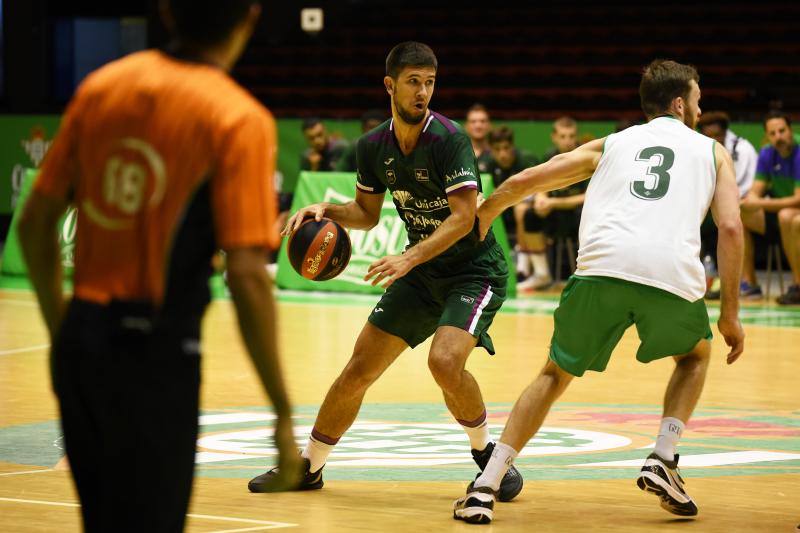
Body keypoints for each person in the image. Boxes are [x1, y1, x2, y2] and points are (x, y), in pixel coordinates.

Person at [17, 1, 301, 530]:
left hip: (82, 343)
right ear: (251, 19)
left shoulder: (101, 87)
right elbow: (245, 276)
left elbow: (34, 226)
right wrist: (282, 413)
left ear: (167, 13)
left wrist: (63, 326)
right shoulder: (238, 117)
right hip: (155, 354)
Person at [452, 59, 745, 524]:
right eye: (697, 98)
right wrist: (730, 313)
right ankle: (664, 456)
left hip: (600, 269)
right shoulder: (712, 151)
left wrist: (486, 214)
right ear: (679, 103)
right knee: (694, 356)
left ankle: (485, 486)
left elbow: (533, 178)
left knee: (552, 375)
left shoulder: (613, 143)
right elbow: (729, 228)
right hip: (669, 275)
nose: (699, 105)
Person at [249, 41, 523, 502]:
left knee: (444, 361)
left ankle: (488, 457)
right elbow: (366, 213)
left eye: (430, 82)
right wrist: (328, 210)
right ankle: (310, 467)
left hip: (472, 270)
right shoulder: (373, 145)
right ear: (390, 85)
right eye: (414, 82)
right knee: (358, 367)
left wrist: (409, 257)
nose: (423, 92)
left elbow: (463, 217)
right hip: (421, 274)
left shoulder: (450, 139)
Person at [739, 110, 800, 304]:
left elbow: (798, 200)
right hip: (780, 211)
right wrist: (749, 201)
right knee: (740, 213)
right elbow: (756, 190)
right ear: (767, 136)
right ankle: (750, 284)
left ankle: (798, 284)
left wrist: (761, 202)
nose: (778, 137)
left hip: (792, 212)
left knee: (788, 216)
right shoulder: (767, 153)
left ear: (791, 130)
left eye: (782, 131)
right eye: (773, 134)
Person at [697, 111, 759, 300]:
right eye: (709, 136)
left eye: (718, 135)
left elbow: (744, 187)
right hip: (710, 207)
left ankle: (731, 280)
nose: (714, 139)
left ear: (725, 132)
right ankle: (695, 279)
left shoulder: (743, 149)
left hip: (744, 206)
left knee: (726, 221)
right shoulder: (701, 150)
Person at [484, 126, 541, 280]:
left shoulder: (527, 160)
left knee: (521, 209)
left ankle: (521, 265)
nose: (502, 154)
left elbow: (538, 190)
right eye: (497, 149)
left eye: (506, 148)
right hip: (500, 212)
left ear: (512, 146)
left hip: (531, 212)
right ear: (490, 149)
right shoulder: (486, 165)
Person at [464, 103, 493, 173]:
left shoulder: (496, 155)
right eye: (473, 122)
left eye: (482, 121)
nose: (478, 125)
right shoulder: (459, 154)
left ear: (489, 126)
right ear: (466, 126)